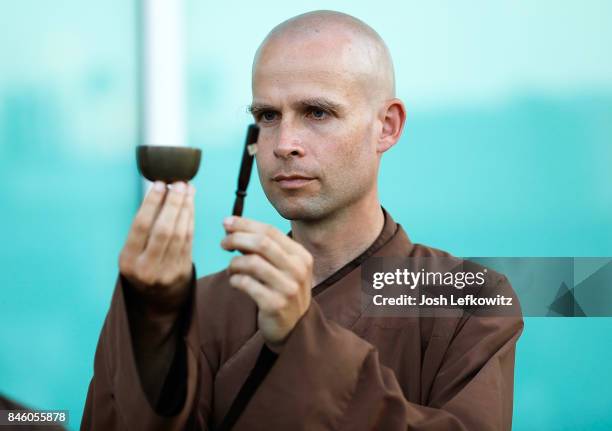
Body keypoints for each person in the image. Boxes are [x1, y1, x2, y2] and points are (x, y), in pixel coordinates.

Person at [81, 10, 523, 430]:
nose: (284, 144)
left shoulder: (468, 300)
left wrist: (303, 340)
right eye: (267, 116)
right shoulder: (198, 308)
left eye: (317, 113)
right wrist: (150, 317)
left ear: (386, 126)